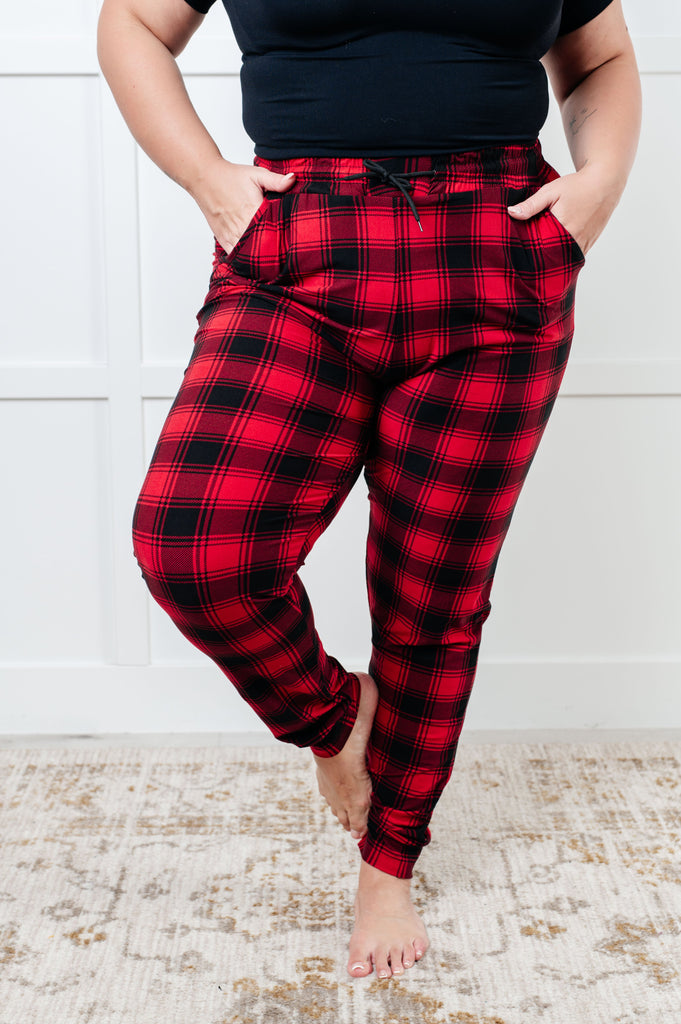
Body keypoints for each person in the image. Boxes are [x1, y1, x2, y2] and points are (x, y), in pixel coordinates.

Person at [97, 0, 641, 981]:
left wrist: (598, 186)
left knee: (433, 593)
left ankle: (389, 861)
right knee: (196, 549)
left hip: (497, 248)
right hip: (298, 243)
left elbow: (599, 57)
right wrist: (208, 179)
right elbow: (131, 22)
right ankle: (340, 721)